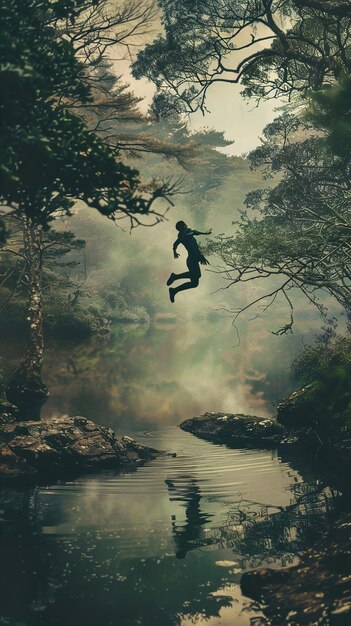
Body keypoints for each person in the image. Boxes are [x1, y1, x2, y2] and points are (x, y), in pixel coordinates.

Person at [167, 221, 212, 303]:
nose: (186, 225)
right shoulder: (184, 233)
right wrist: (200, 256)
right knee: (197, 275)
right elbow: (193, 234)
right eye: (184, 225)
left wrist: (205, 233)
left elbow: (175, 244)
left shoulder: (185, 233)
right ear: (183, 226)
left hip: (193, 259)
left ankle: (174, 290)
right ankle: (175, 277)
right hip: (192, 259)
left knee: (195, 283)